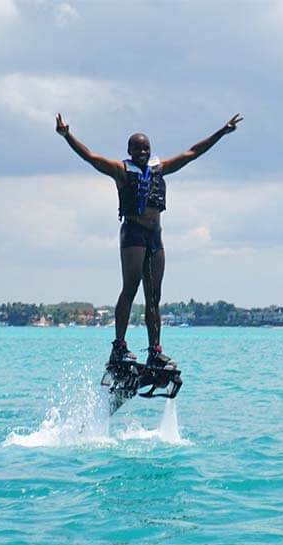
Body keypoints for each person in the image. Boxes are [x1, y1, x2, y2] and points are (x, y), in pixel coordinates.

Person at [55, 112, 243, 369]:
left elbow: (192, 153)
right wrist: (67, 136)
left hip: (155, 237)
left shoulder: (160, 168)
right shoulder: (120, 171)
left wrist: (222, 132)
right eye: (138, 148)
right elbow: (90, 157)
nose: (143, 152)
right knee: (130, 289)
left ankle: (155, 351)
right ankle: (119, 347)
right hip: (133, 235)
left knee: (154, 297)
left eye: (146, 148)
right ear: (129, 151)